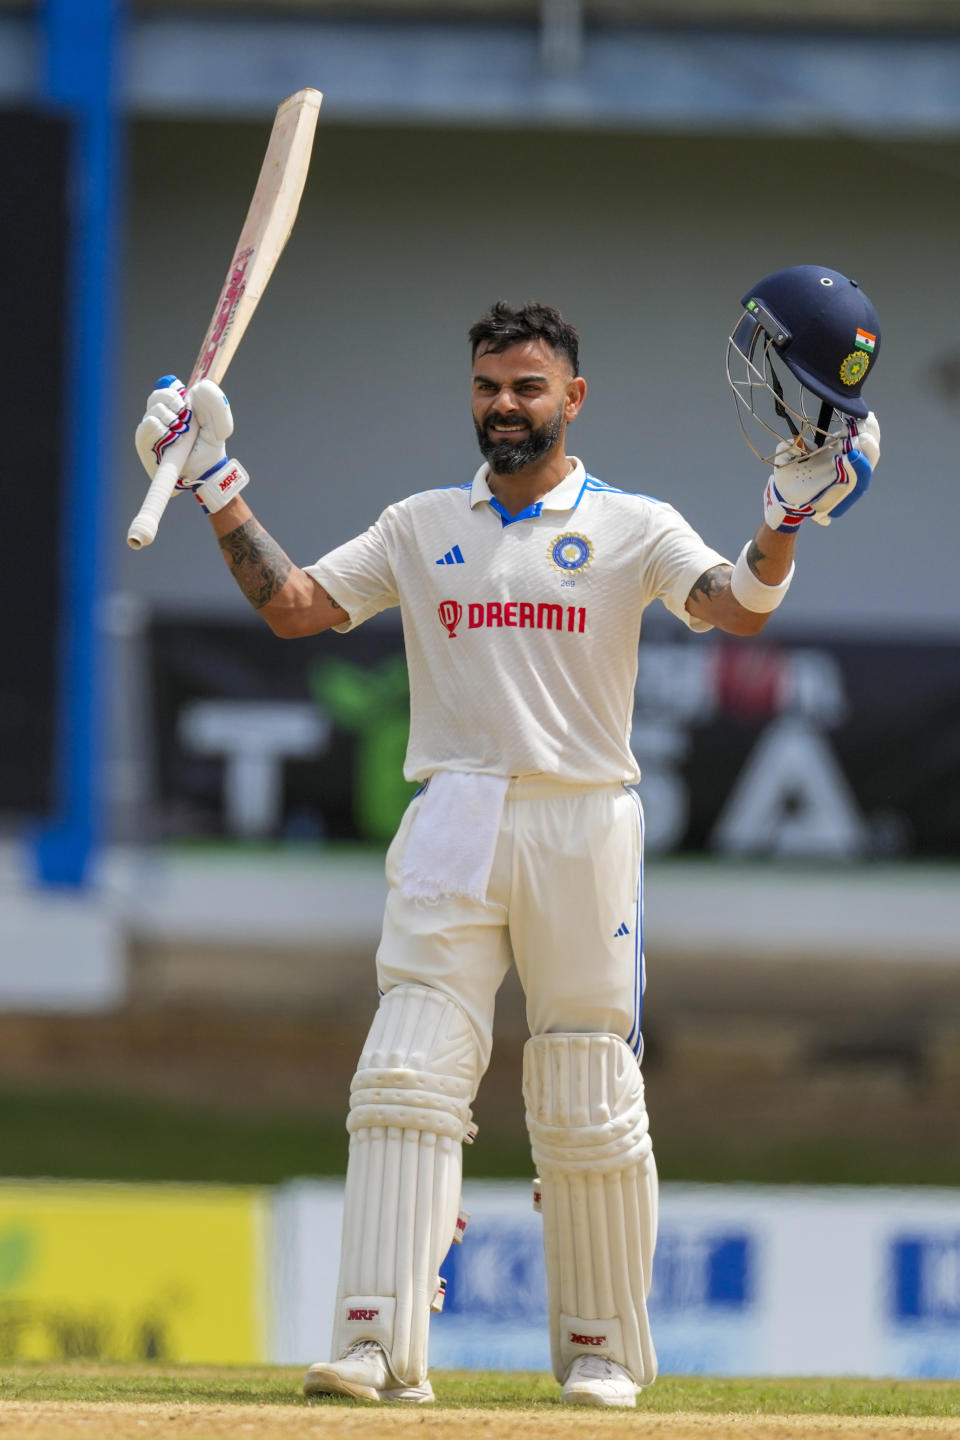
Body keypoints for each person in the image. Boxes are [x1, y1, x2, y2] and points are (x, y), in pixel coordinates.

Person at [135, 275, 880, 1408]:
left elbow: (735, 606)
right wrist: (212, 486)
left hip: (582, 820)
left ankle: (602, 1353)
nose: (504, 405)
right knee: (403, 1069)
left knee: (583, 1086)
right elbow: (294, 608)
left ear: (572, 396)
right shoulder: (420, 525)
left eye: (527, 387)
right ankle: (377, 1343)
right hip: (454, 813)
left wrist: (780, 525)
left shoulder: (633, 526)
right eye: (487, 387)